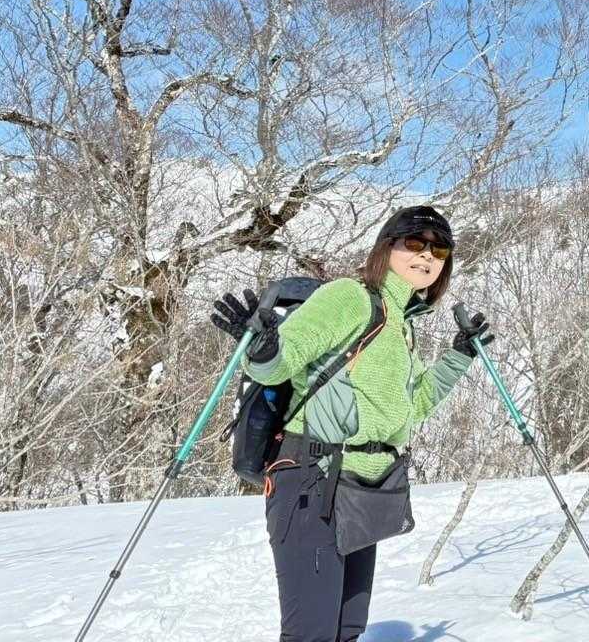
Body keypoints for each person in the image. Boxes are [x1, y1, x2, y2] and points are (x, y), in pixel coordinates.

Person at [210, 205, 494, 642]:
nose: (427, 255)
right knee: (312, 633)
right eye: (415, 242)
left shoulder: (402, 324)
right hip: (311, 478)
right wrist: (263, 349)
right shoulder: (350, 297)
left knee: (347, 629)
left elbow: (411, 409)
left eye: (439, 250)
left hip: (365, 488)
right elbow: (283, 360)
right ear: (386, 247)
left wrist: (459, 356)